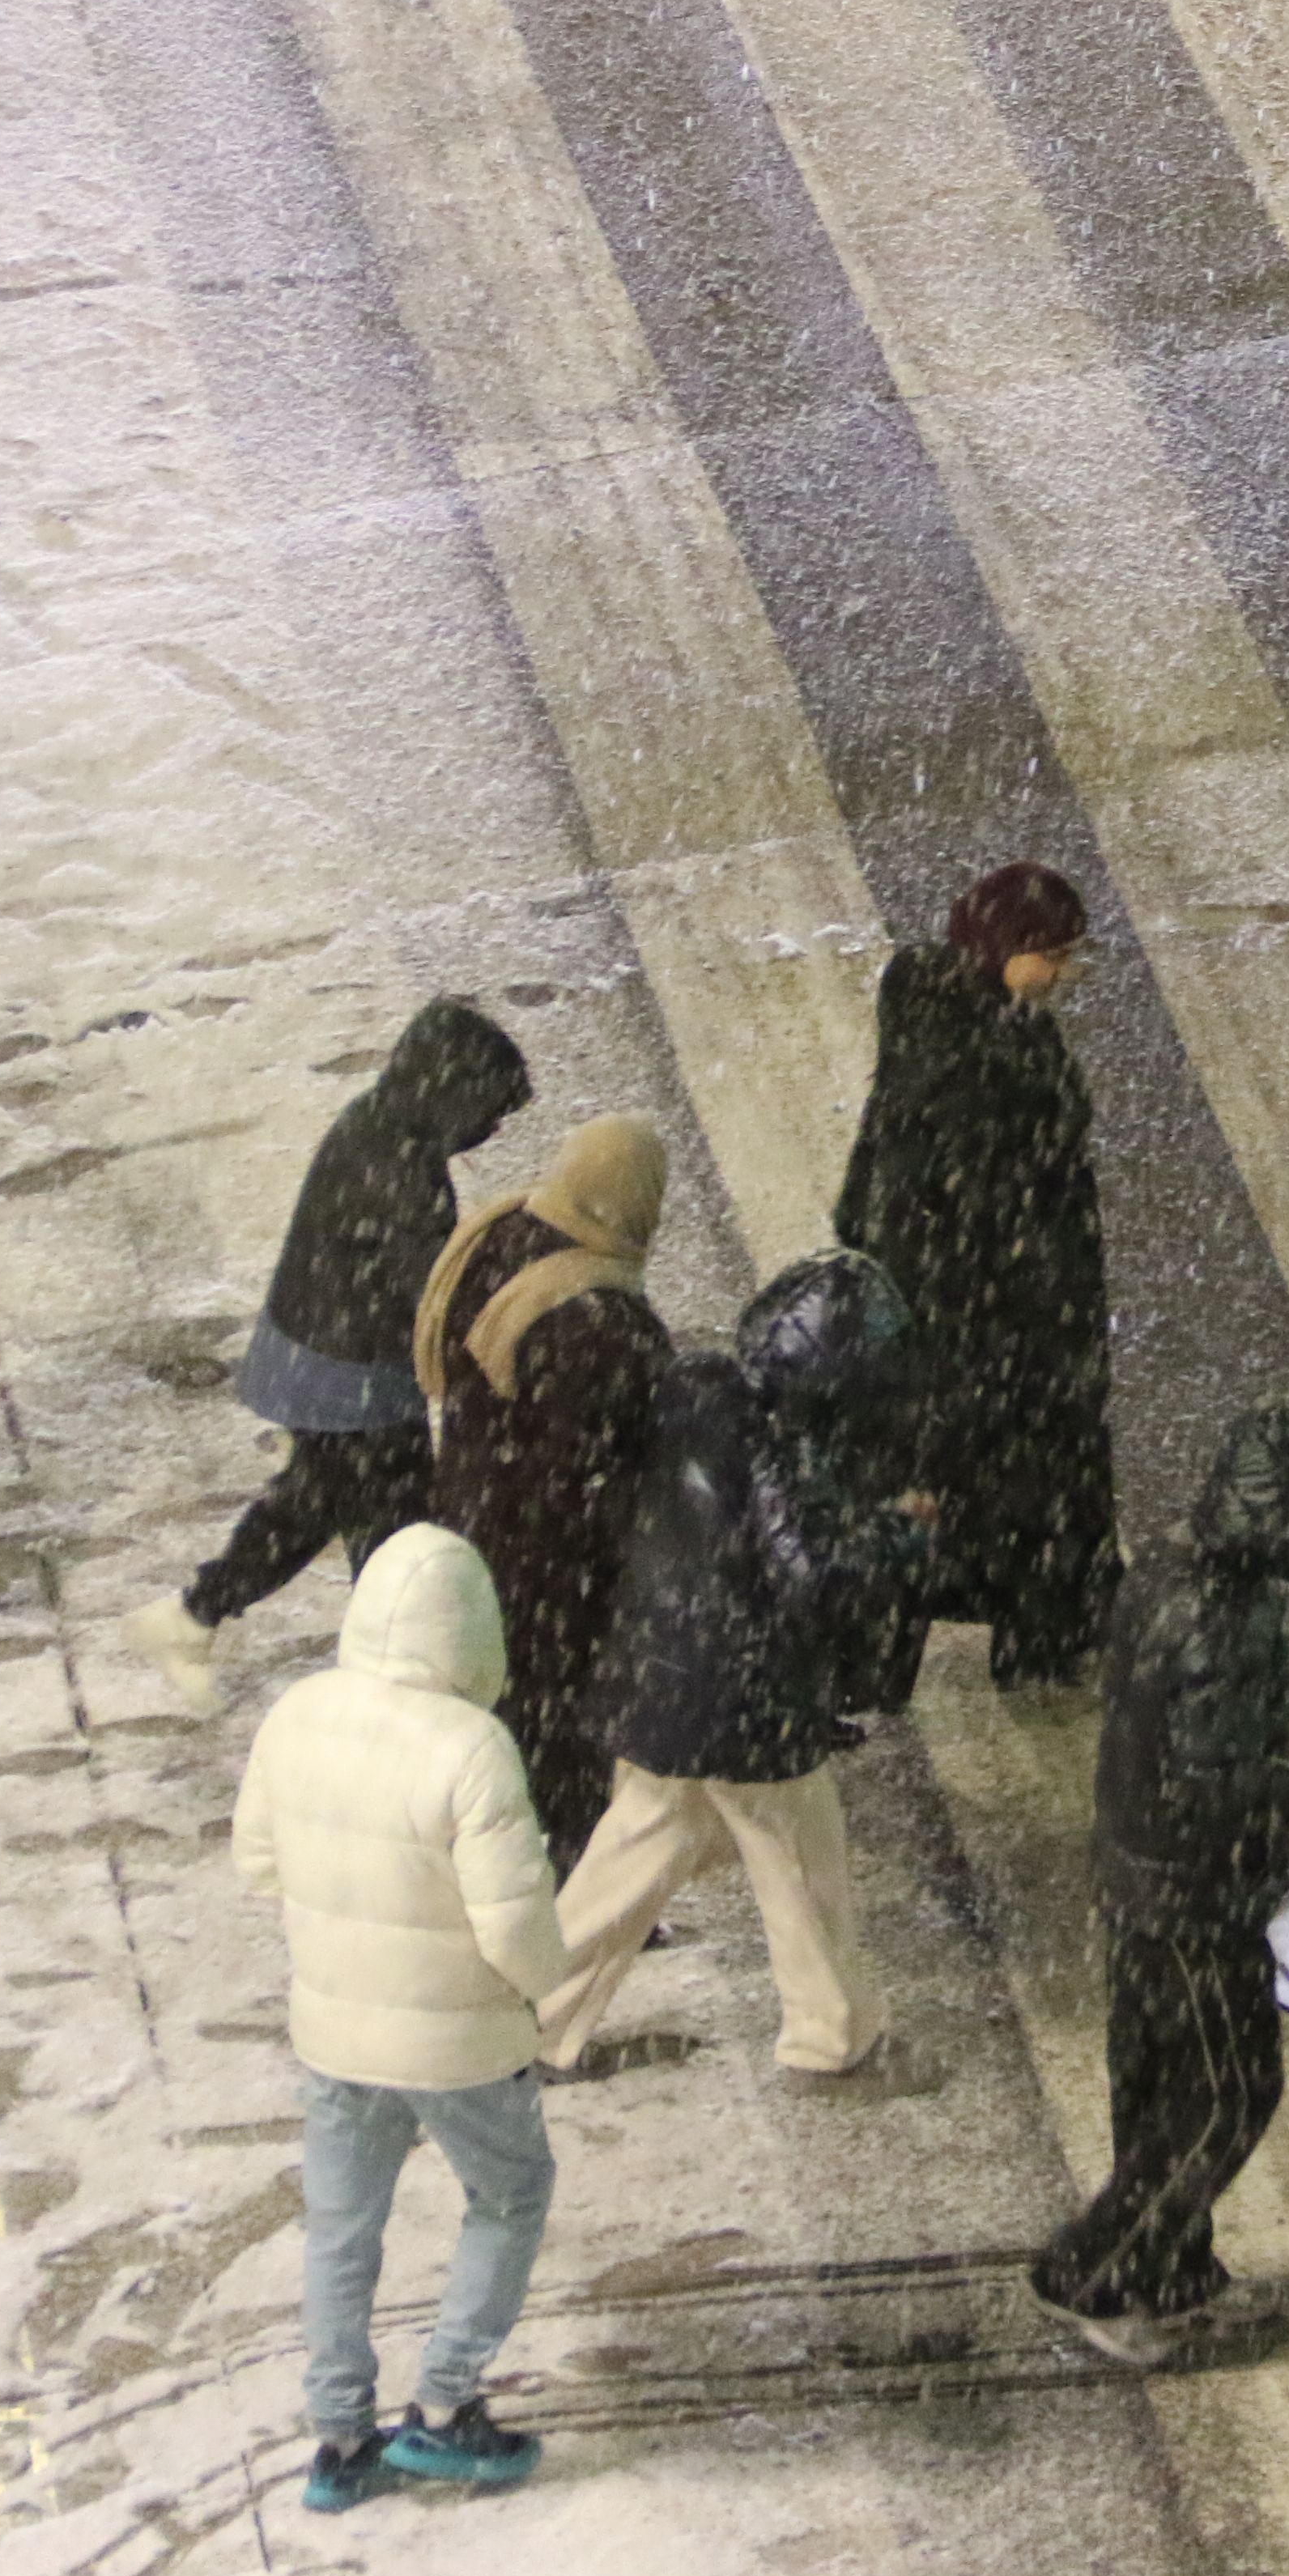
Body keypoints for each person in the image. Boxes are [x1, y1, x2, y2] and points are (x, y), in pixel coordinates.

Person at [1032, 1399, 1289, 2365]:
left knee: (1154, 2090)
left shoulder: (1177, 1569)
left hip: (1138, 1876)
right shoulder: (1222, 1613)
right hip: (1192, 1896)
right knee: (1227, 2093)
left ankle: (1172, 2273)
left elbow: (1178, 1728)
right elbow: (1204, 1780)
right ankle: (1102, 2272)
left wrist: (1284, 1733)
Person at [232, 1522, 567, 2510]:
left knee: (341, 2228)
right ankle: (445, 2407)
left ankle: (340, 2442)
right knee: (510, 2197)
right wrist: (538, 1990)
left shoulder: (299, 1712)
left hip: (335, 2036)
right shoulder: (471, 1745)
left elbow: (255, 1863)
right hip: (459, 2040)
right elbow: (516, 1928)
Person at [534, 1252, 926, 2086]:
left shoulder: (695, 1389)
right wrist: (897, 1535)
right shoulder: (789, 1452)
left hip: (661, 1676)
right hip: (744, 1703)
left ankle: (528, 2020)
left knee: (638, 1850)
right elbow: (814, 1574)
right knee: (801, 1860)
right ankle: (835, 2040)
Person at [130, 1001, 530, 1711]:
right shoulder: (402, 1170)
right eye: (487, 1113)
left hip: (323, 1357)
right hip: (353, 1376)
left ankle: (194, 1616)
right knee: (393, 1530)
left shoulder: (380, 1122)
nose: (489, 1131)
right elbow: (433, 1291)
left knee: (317, 1504)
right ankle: (393, 1679)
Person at [833, 861, 1117, 1691]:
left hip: (999, 1308)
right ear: (1002, 948)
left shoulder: (946, 1008)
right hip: (1000, 1320)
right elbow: (962, 1215)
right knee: (1032, 1487)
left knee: (994, 1489)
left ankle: (1007, 1633)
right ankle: (1036, 1637)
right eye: (1052, 956)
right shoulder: (974, 1070)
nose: (1063, 975)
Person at [418, 1116, 672, 1869]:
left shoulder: (493, 1237)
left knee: (502, 1700)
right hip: (549, 1555)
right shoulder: (604, 1320)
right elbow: (601, 1465)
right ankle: (566, 1875)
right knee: (563, 1714)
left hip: (471, 1508)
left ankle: (491, 1850)